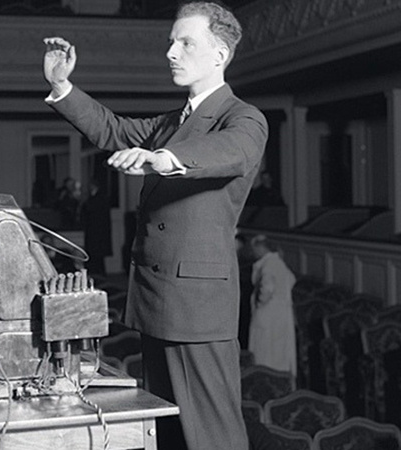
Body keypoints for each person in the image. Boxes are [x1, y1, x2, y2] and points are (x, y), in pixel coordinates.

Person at [43, 2, 268, 448]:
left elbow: (230, 151)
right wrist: (62, 86)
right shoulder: (170, 123)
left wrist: (162, 159)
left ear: (220, 55)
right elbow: (111, 130)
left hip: (198, 309)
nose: (171, 52)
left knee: (213, 438)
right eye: (171, 42)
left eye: (186, 43)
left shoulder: (243, 117)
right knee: (167, 433)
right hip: (156, 299)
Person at [247, 235, 297, 376]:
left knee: (265, 346)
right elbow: (291, 279)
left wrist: (259, 303)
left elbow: (266, 290)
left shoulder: (268, 264)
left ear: (261, 248)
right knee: (278, 348)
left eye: (254, 249)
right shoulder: (278, 262)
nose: (253, 253)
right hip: (281, 313)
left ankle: (264, 376)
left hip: (268, 313)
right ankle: (279, 376)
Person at [80, 178, 112, 276]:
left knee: (96, 253)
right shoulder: (96, 198)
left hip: (97, 230)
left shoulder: (99, 198)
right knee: (95, 253)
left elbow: (90, 209)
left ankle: (97, 273)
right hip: (95, 230)